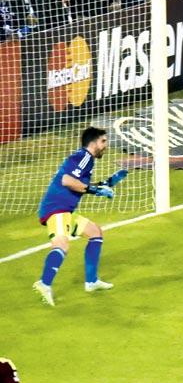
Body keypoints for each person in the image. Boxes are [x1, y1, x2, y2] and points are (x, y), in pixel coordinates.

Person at [33, 127, 126, 307]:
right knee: (61, 244)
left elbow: (82, 184)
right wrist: (96, 190)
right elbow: (67, 181)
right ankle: (44, 284)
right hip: (57, 208)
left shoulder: (87, 161)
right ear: (94, 143)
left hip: (66, 210)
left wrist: (108, 183)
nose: (106, 146)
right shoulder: (84, 157)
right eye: (103, 142)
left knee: (95, 232)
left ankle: (91, 282)